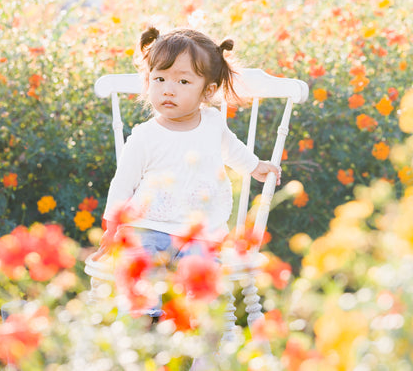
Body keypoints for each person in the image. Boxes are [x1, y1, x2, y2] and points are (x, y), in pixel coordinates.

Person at [99, 26, 280, 312]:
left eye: (183, 82)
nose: (168, 89)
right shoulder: (145, 136)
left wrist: (255, 166)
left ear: (207, 90)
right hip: (148, 227)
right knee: (140, 279)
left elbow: (231, 149)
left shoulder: (212, 124)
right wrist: (112, 225)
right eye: (159, 79)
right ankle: (147, 330)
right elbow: (123, 183)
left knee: (204, 287)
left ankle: (201, 345)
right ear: (148, 81)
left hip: (201, 231)